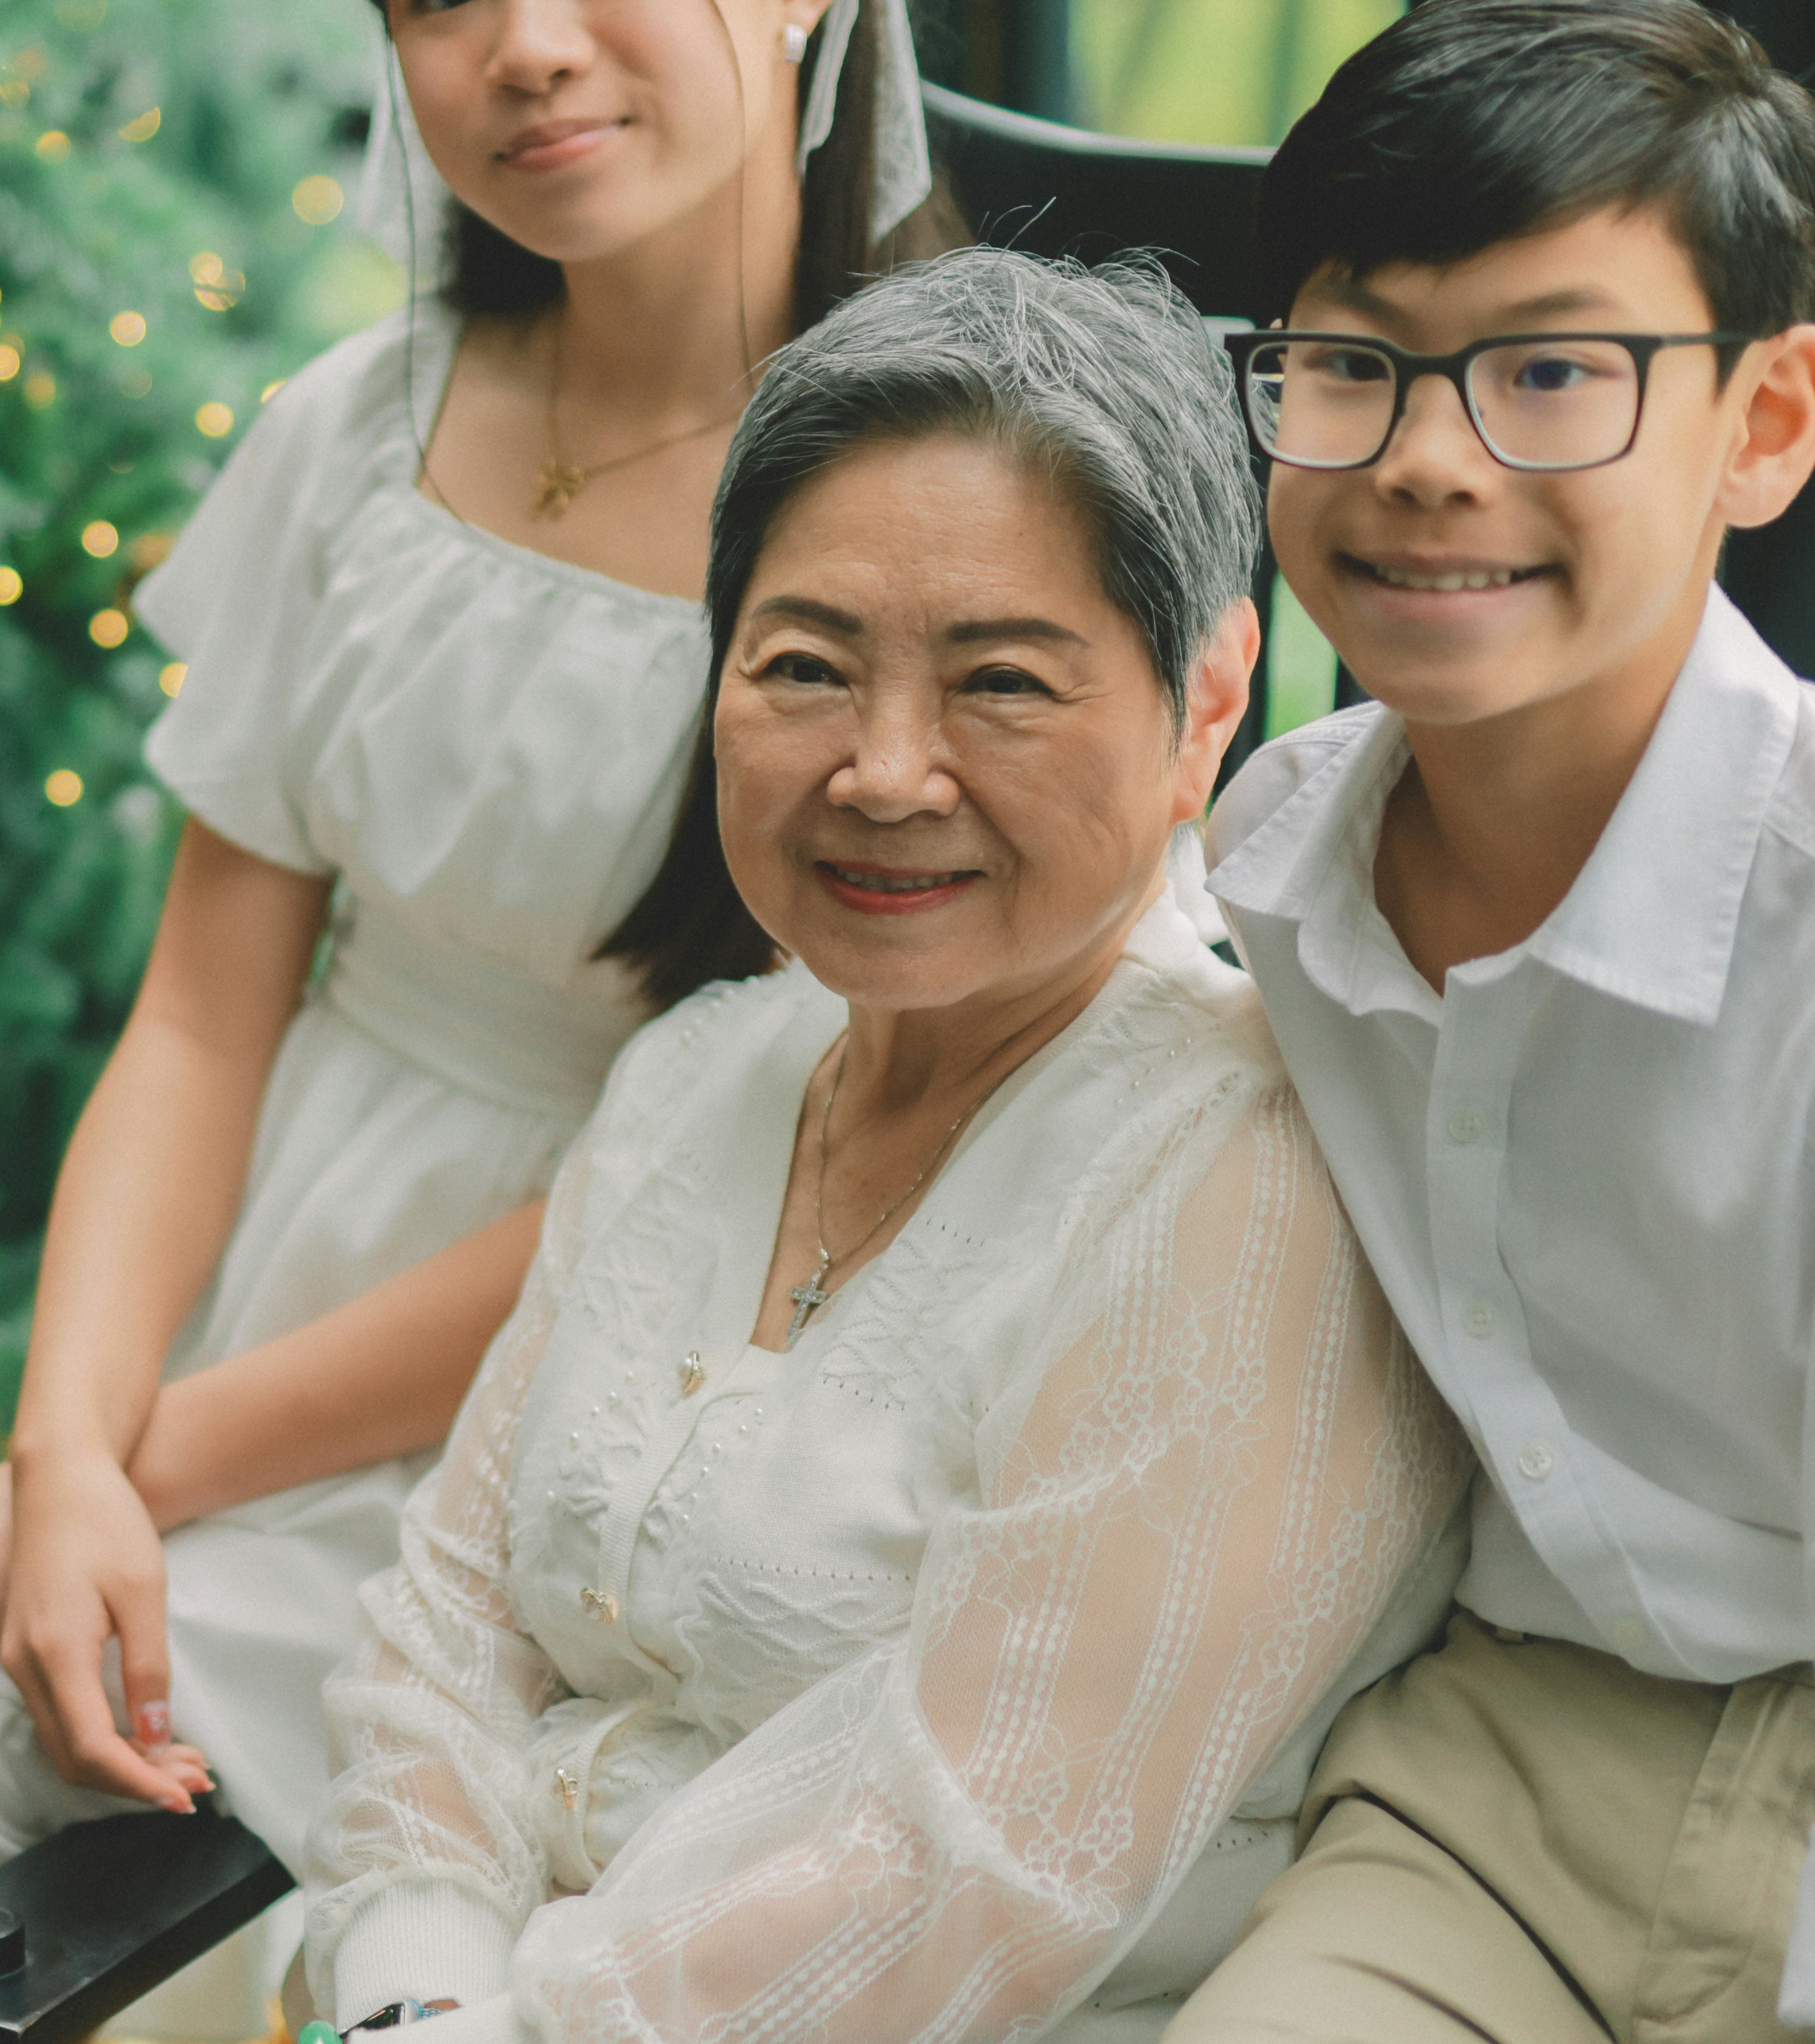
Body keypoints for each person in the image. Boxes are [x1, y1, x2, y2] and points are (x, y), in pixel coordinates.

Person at [0, 5, 961, 2039]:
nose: (522, 48)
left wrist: (141, 1478)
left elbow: (749, 1163)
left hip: (593, 1420)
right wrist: (66, 1449)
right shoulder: (364, 426)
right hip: (230, 1343)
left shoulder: (917, 515)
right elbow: (195, 1017)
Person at [298, 248, 1470, 2044]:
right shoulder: (701, 1074)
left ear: (1210, 698)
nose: (885, 771)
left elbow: (966, 1864)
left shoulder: (1257, 1180)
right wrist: (411, 1982)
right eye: (805, 667)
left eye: (1001, 682)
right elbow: (442, 1631)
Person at [1151, 6, 1815, 2041]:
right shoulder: (1264, 869)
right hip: (1488, 1785)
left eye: (1552, 370)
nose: (1431, 460)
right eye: (1352, 367)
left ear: (1769, 424)